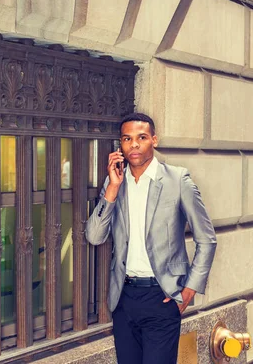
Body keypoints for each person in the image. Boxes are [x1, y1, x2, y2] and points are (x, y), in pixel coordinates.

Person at [85, 113, 217, 364]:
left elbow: (207, 239)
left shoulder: (178, 180)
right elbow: (94, 236)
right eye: (127, 139)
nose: (133, 144)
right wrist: (112, 188)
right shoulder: (115, 183)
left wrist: (188, 290)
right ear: (120, 145)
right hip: (124, 299)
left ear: (154, 140)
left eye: (141, 137)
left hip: (162, 297)